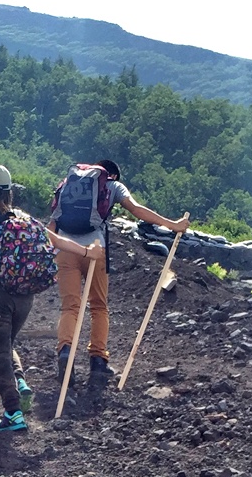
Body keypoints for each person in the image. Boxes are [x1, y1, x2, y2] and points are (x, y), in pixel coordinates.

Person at [0, 164, 102, 432]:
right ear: (8, 192)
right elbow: (55, 240)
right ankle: (20, 383)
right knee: (6, 342)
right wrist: (86, 252)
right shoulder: (21, 218)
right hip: (24, 295)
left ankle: (13, 413)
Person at [48, 159, 189, 391]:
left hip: (65, 251)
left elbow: (54, 221)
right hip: (95, 250)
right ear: (111, 175)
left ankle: (65, 350)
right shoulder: (112, 186)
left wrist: (46, 252)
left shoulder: (69, 183)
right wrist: (172, 225)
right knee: (98, 307)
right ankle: (97, 360)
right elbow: (136, 210)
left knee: (70, 307)